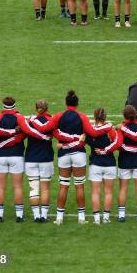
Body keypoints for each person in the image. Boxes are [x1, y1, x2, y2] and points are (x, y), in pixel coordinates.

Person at [31, 90, 112, 225]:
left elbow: (45, 129)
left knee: (64, 186)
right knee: (79, 186)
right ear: (77, 103)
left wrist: (57, 134)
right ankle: (81, 218)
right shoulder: (81, 117)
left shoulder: (58, 116)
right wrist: (108, 127)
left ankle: (59, 218)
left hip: (64, 155)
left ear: (65, 103)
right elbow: (92, 132)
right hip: (79, 154)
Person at [0, 97, 26, 223]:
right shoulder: (20, 118)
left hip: (0, 156)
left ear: (3, 106)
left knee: (0, 187)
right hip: (16, 156)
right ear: (14, 106)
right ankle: (19, 216)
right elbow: (25, 133)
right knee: (17, 187)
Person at [85, 108, 122, 225]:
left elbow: (86, 140)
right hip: (110, 164)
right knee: (108, 192)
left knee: (95, 192)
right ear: (105, 117)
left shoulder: (91, 131)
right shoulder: (110, 130)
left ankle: (96, 219)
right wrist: (105, 150)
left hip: (95, 165)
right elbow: (117, 142)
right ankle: (106, 218)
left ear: (95, 117)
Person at [22, 100, 55, 223]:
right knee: (45, 188)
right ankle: (44, 215)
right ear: (47, 109)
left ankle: (36, 216)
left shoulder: (30, 121)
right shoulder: (51, 121)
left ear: (36, 108)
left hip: (31, 158)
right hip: (46, 158)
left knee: (33, 188)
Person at [117, 106, 137, 223]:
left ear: (124, 116)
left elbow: (118, 145)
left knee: (123, 188)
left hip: (124, 161)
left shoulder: (121, 128)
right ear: (135, 115)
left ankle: (121, 215)